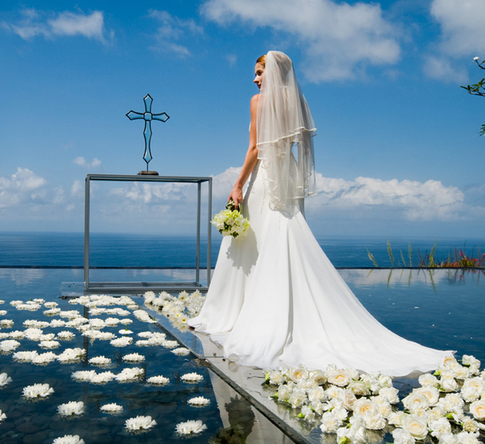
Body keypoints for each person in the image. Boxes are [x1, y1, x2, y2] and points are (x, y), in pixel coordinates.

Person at [188, 51, 452, 377]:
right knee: (280, 237)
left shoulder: (258, 102)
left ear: (272, 73)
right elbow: (294, 147)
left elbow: (255, 148)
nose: (255, 79)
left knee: (250, 244)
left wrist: (237, 184)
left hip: (264, 179)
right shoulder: (296, 102)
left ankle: (247, 312)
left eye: (259, 73)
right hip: (286, 180)